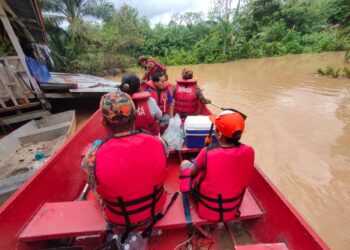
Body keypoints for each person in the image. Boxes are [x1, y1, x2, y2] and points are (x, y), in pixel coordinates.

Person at [81, 92, 176, 242]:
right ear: (135, 117)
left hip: (119, 220)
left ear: (104, 123)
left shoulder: (92, 156)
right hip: (155, 209)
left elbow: (93, 182)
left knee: (93, 179)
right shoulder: (159, 143)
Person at [179, 110, 254, 222]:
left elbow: (190, 172)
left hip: (207, 210)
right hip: (232, 210)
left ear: (219, 135)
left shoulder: (207, 152)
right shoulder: (249, 151)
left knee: (185, 164)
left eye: (215, 129)